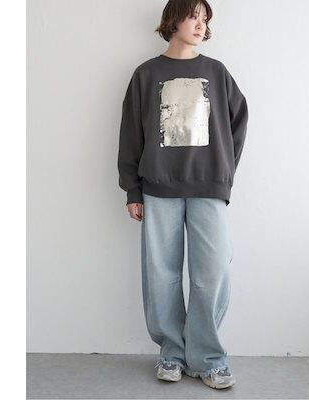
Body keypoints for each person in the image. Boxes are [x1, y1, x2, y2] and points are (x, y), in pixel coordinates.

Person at [117, 0, 248, 390]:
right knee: (162, 275)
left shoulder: (216, 72)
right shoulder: (147, 74)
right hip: (158, 187)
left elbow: (239, 120)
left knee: (213, 272)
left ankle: (207, 358)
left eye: (204, 19)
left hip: (208, 186)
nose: (200, 24)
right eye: (193, 16)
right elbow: (131, 134)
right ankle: (171, 353)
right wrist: (132, 189)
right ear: (172, 19)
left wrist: (224, 171)